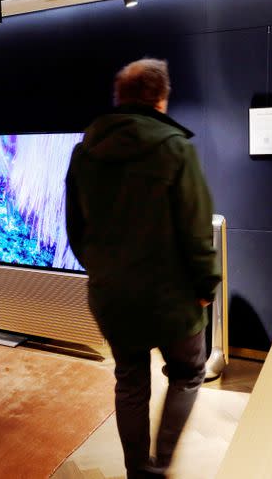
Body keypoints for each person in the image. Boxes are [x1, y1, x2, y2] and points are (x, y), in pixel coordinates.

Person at [65, 58, 221, 479]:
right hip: (173, 300)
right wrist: (208, 285)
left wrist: (103, 272)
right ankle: (163, 463)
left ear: (120, 98)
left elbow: (75, 230)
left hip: (113, 297)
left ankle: (138, 471)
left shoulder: (85, 151)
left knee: (130, 380)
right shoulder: (176, 148)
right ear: (162, 98)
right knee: (189, 372)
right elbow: (196, 230)